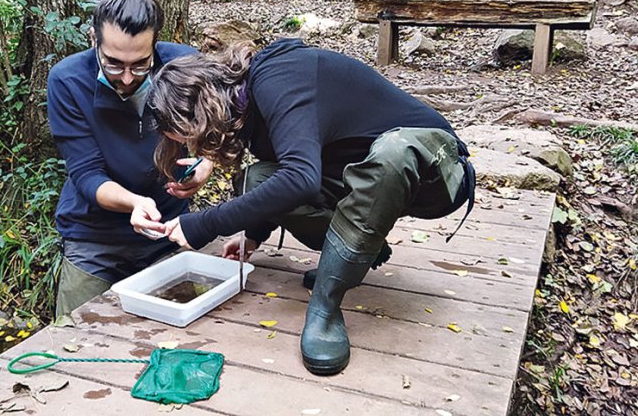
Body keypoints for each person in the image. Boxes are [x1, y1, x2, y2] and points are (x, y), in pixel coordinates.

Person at [147, 38, 475, 376]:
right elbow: (287, 172)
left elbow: (300, 178)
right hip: (363, 174)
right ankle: (357, 255)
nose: (193, 143)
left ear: (201, 109)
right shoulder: (250, 106)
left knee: (391, 153)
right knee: (256, 178)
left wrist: (205, 223)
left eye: (188, 134)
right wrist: (253, 237)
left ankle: (325, 307)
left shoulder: (279, 78)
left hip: (437, 172)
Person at [46, 0, 212, 323]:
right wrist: (135, 203)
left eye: (140, 65)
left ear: (156, 45)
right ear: (94, 40)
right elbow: (86, 174)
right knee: (74, 339)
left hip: (169, 232)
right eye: (113, 64)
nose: (126, 78)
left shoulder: (184, 64)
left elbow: (215, 131)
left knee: (177, 341)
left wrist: (206, 165)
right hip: (94, 239)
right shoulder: (67, 80)